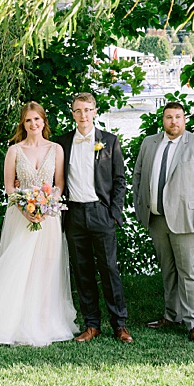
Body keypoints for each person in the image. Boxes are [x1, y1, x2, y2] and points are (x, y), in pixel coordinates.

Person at [0, 102, 78, 345]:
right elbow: (10, 186)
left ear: (44, 121)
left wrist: (45, 207)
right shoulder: (14, 150)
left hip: (48, 217)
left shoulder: (56, 149)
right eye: (28, 120)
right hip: (20, 215)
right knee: (16, 266)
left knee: (45, 268)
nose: (34, 124)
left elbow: (60, 184)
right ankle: (7, 321)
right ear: (23, 123)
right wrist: (24, 208)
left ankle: (42, 321)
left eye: (37, 119)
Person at [132, 100, 194, 341]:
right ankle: (172, 315)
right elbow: (139, 176)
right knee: (167, 270)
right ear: (163, 119)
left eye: (178, 117)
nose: (174, 122)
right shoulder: (150, 143)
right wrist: (142, 210)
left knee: (189, 272)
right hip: (157, 219)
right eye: (169, 117)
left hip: (187, 220)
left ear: (184, 119)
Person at [55, 93, 131, 343]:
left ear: (95, 112)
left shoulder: (109, 141)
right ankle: (92, 324)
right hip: (74, 213)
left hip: (101, 213)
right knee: (82, 271)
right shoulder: (63, 143)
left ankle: (119, 324)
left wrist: (114, 214)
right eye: (78, 110)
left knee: (109, 269)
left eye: (87, 110)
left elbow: (120, 181)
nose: (83, 115)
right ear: (72, 113)